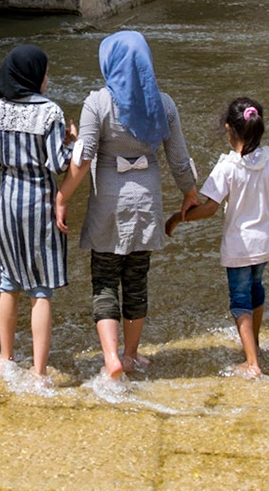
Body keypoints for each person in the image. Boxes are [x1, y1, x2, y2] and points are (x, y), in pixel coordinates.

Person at [54, 32, 199, 381]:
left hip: (109, 202)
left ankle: (110, 357)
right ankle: (131, 355)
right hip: (146, 200)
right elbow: (178, 159)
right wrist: (190, 193)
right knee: (136, 280)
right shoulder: (163, 104)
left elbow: (83, 158)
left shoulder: (98, 103)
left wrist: (62, 196)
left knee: (105, 279)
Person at [166, 98, 269, 379]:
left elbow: (210, 208)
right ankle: (255, 347)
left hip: (239, 248)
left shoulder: (227, 166)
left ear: (229, 129)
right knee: (256, 291)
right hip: (264, 244)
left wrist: (177, 218)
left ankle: (252, 363)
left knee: (240, 301)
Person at [0, 45, 74, 381]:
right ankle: (39, 372)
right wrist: (73, 142)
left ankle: (5, 358)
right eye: (46, 72)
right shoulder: (50, 112)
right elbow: (59, 164)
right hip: (39, 202)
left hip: (7, 199)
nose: (48, 78)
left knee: (9, 282)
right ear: (33, 75)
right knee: (41, 287)